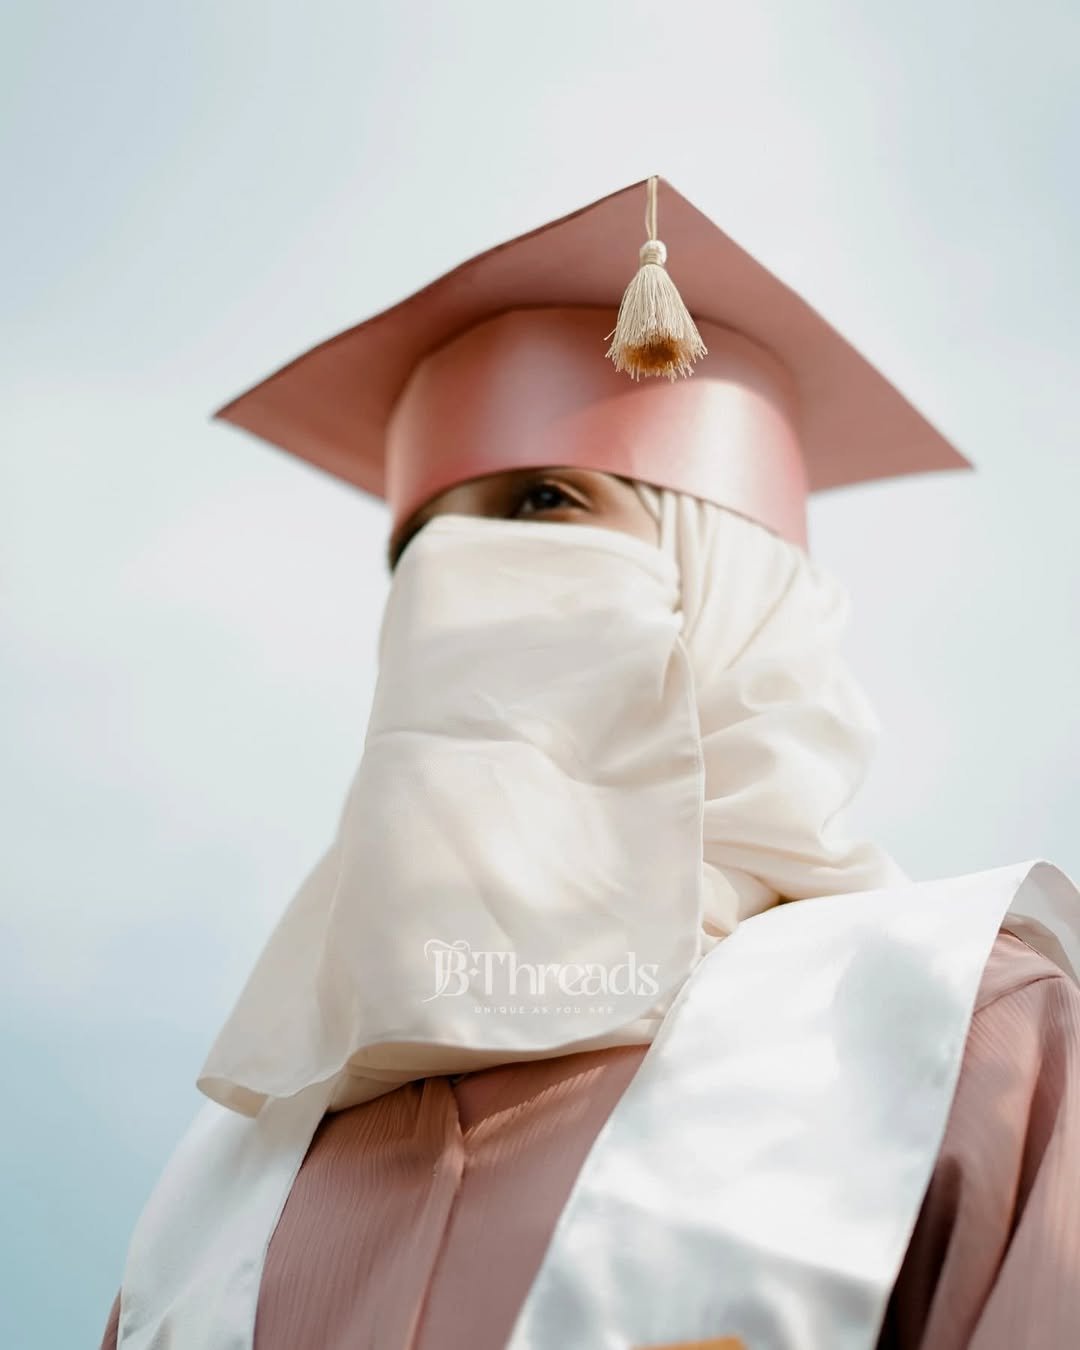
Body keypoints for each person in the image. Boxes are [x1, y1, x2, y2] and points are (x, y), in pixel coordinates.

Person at [100, 177, 1080, 1350]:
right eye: (419, 545)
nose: (453, 577)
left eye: (544, 501)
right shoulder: (218, 1201)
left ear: (732, 586)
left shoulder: (953, 1037)